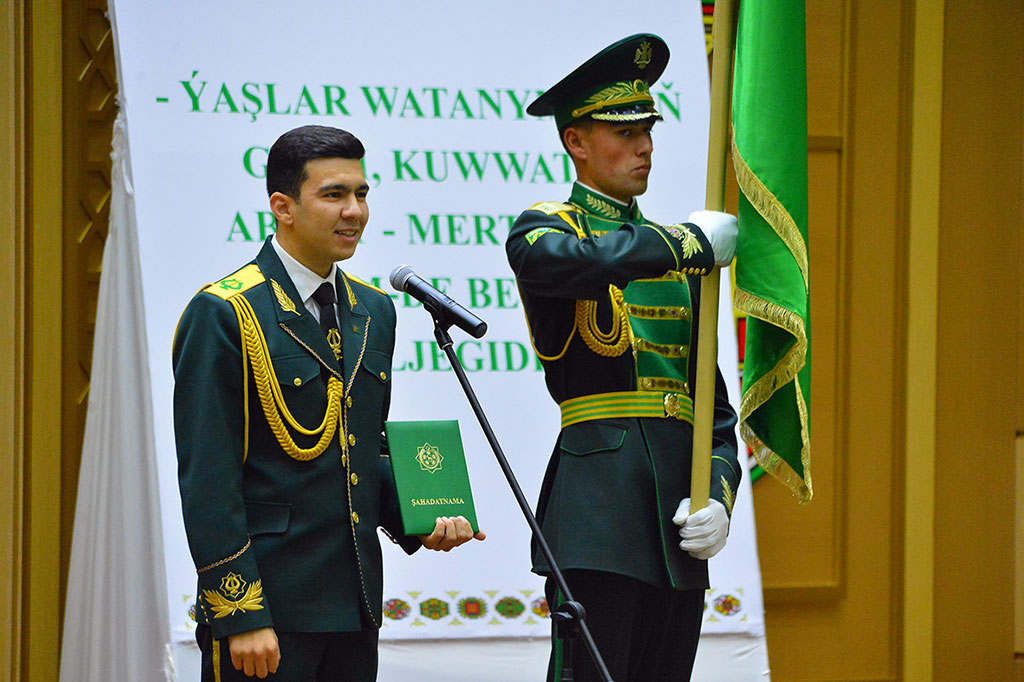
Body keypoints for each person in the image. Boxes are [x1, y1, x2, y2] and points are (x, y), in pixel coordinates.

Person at [173, 125, 484, 682]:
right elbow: (208, 479)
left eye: (362, 194)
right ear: (282, 206)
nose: (355, 211)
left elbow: (358, 450)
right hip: (268, 610)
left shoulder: (374, 308)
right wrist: (241, 614)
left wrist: (420, 518)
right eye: (334, 194)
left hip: (354, 600)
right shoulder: (225, 312)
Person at [504, 34, 741, 681]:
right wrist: (683, 240)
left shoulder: (683, 264)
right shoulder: (546, 230)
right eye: (624, 131)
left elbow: (715, 418)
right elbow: (572, 265)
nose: (644, 146)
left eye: (649, 130)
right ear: (576, 142)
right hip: (599, 517)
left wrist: (718, 495)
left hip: (675, 529)